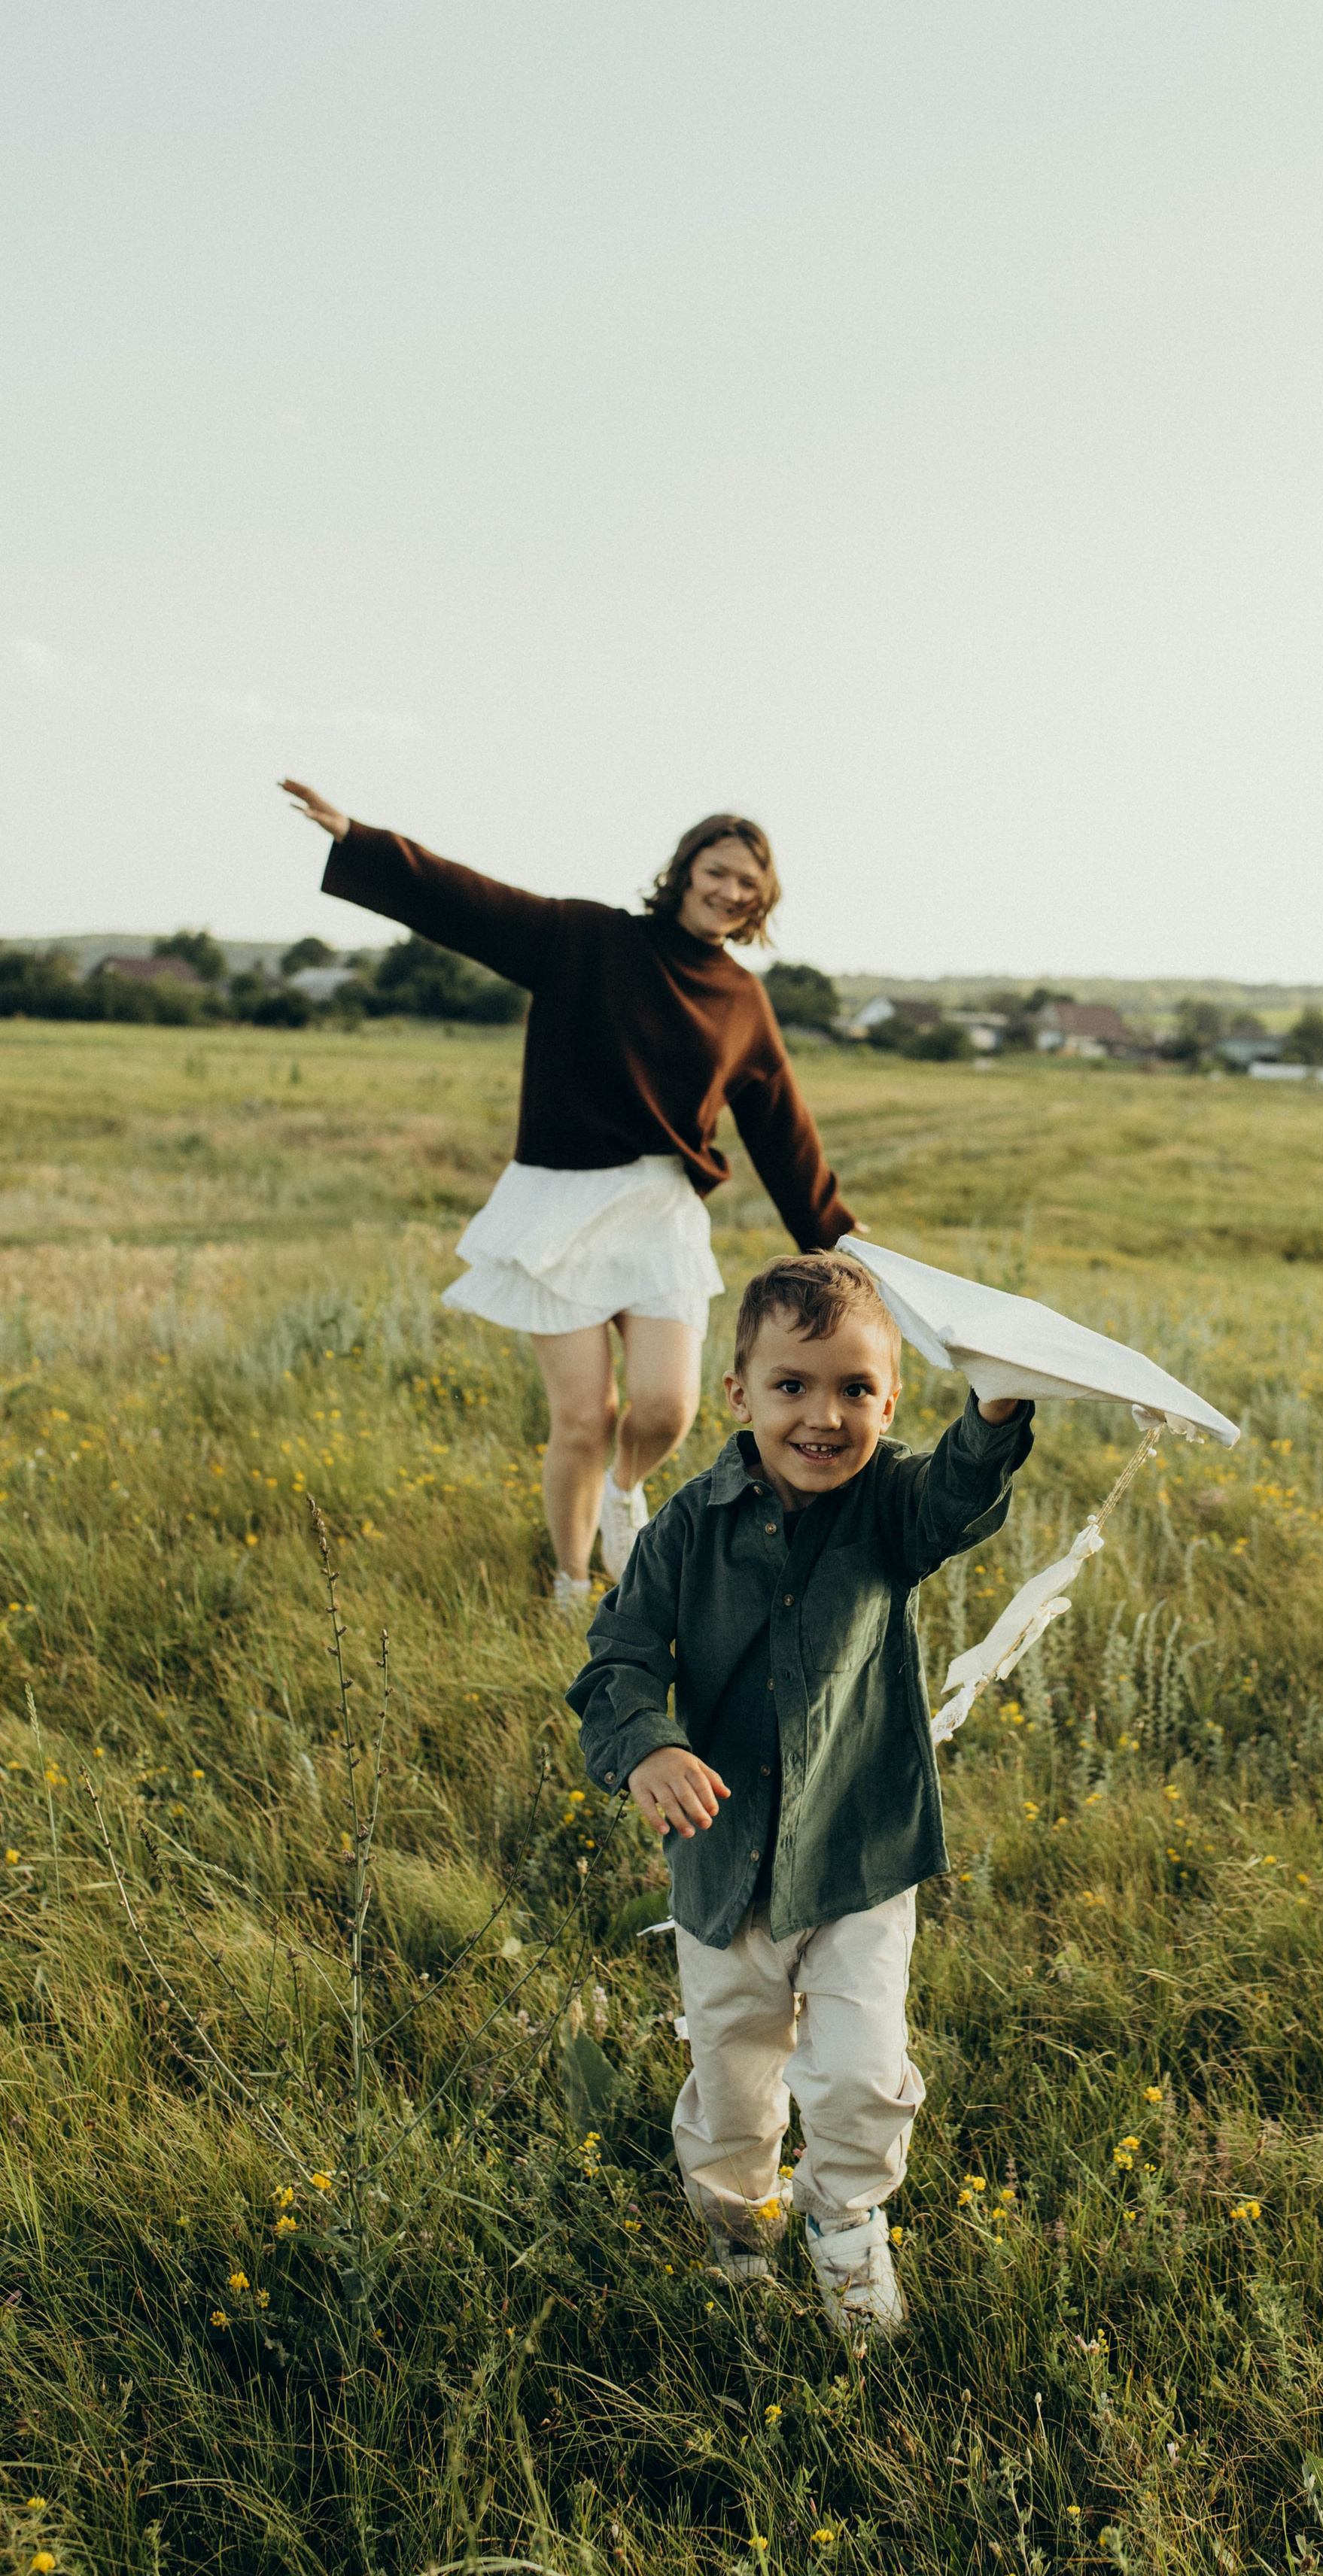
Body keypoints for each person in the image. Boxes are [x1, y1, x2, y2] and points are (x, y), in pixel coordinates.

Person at [566, 1249, 1032, 2336]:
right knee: (734, 2073)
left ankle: (847, 2227)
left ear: (892, 1397)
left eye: (856, 1390)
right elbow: (618, 1659)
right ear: (738, 1394)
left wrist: (997, 1410)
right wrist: (646, 1747)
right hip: (724, 1864)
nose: (825, 1417)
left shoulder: (895, 1506)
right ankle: (738, 2229)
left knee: (861, 2072)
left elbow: (963, 1492)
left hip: (859, 1852)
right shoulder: (690, 1524)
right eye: (793, 1387)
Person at [281, 780, 856, 1605]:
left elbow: (780, 1128)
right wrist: (360, 841)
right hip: (559, 1206)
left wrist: (836, 1233)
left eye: (748, 885)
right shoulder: (587, 938)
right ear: (686, 867)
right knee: (584, 1417)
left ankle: (623, 1493)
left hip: (659, 1212)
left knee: (665, 1407)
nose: (730, 892)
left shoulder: (741, 1001)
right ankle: (571, 1582)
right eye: (718, 871)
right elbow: (470, 904)